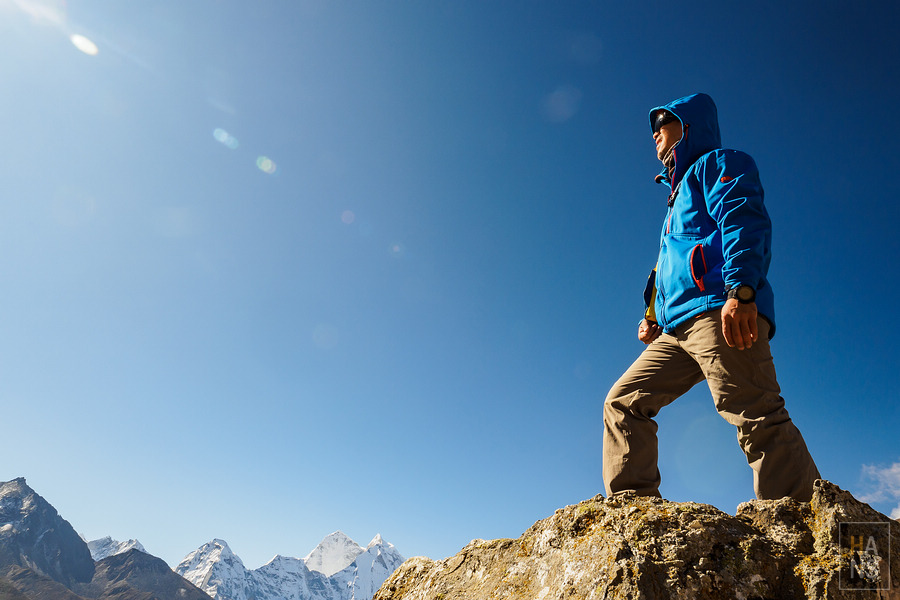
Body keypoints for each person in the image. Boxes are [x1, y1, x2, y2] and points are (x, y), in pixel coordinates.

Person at [602, 93, 820, 502]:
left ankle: (809, 520)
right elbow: (669, 266)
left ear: (688, 126)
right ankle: (633, 508)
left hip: (720, 310)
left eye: (663, 122)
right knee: (623, 402)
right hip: (676, 329)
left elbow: (743, 221)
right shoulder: (674, 197)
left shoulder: (719, 164)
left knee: (755, 412)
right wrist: (652, 314)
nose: (654, 134)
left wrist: (741, 290)